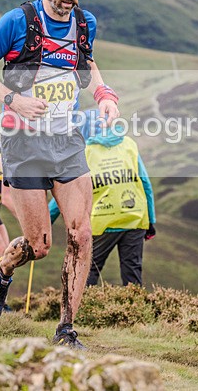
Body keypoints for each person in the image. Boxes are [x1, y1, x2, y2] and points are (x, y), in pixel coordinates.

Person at [0, 0, 120, 349]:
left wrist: (104, 94)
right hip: (22, 143)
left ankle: (66, 329)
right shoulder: (17, 22)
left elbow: (88, 64)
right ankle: (1, 268)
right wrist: (11, 100)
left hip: (67, 140)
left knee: (81, 233)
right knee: (38, 246)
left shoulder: (84, 24)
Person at [50, 110, 156, 287]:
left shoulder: (85, 153)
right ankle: (135, 311)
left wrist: (45, 220)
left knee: (89, 271)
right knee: (132, 273)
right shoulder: (129, 145)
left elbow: (67, 192)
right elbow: (145, 183)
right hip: (135, 218)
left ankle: (82, 311)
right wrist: (151, 220)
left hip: (102, 221)